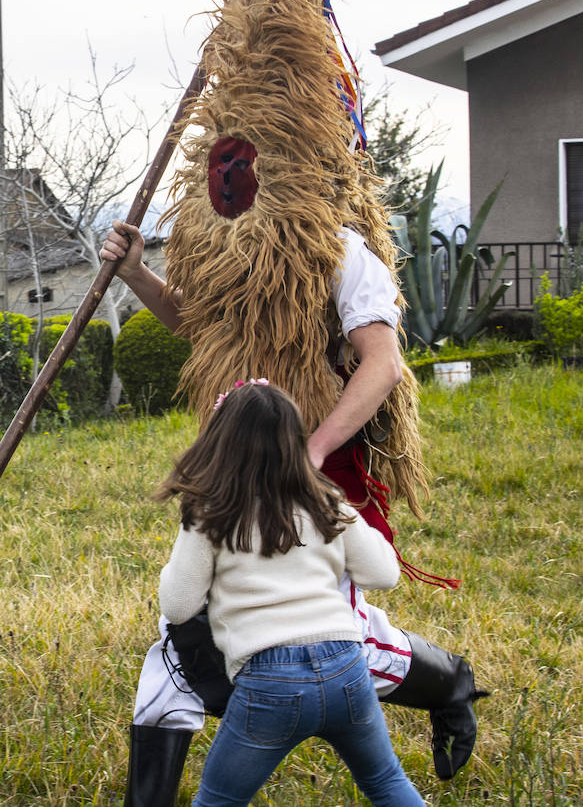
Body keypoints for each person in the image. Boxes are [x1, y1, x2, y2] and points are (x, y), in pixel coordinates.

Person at [105, 218, 483, 804]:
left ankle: (448, 682)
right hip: (240, 468)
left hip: (317, 467)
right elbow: (204, 331)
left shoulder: (340, 248)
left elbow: (381, 363)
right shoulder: (223, 240)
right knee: (180, 651)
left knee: (340, 636)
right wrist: (137, 273)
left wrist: (309, 456)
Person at [156, 380, 425, 807]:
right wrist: (341, 512)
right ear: (294, 440)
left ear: (219, 441)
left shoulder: (210, 512)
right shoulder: (326, 502)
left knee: (218, 801)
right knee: (387, 783)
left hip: (269, 679)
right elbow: (383, 573)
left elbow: (179, 605)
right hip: (346, 666)